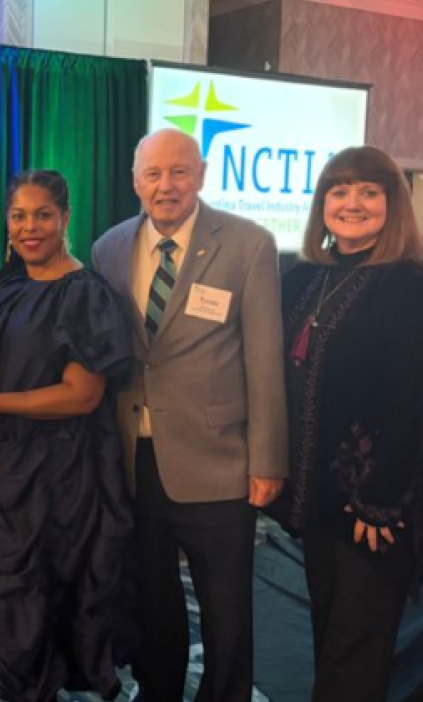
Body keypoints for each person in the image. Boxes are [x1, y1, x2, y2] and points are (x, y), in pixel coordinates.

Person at [0, 170, 134, 702]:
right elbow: (0, 357)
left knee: (27, 586)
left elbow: (80, 395)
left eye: (42, 215)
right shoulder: (5, 282)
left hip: (50, 476)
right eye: (18, 216)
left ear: (65, 218)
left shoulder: (85, 294)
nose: (29, 227)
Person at [92, 128, 287, 702]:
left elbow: (266, 359)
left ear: (201, 174)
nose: (166, 185)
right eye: (153, 174)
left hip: (222, 460)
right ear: (136, 182)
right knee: (153, 596)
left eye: (178, 171)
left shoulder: (249, 243)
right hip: (137, 458)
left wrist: (268, 460)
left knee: (225, 605)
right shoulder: (109, 247)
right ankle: (160, 690)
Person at [275, 146, 423, 702]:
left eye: (368, 192)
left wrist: (380, 500)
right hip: (317, 498)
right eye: (338, 191)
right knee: (330, 632)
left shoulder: (410, 285)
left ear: (392, 204)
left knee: (356, 651)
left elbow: (414, 403)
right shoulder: (305, 275)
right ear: (321, 204)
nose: (350, 203)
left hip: (374, 504)